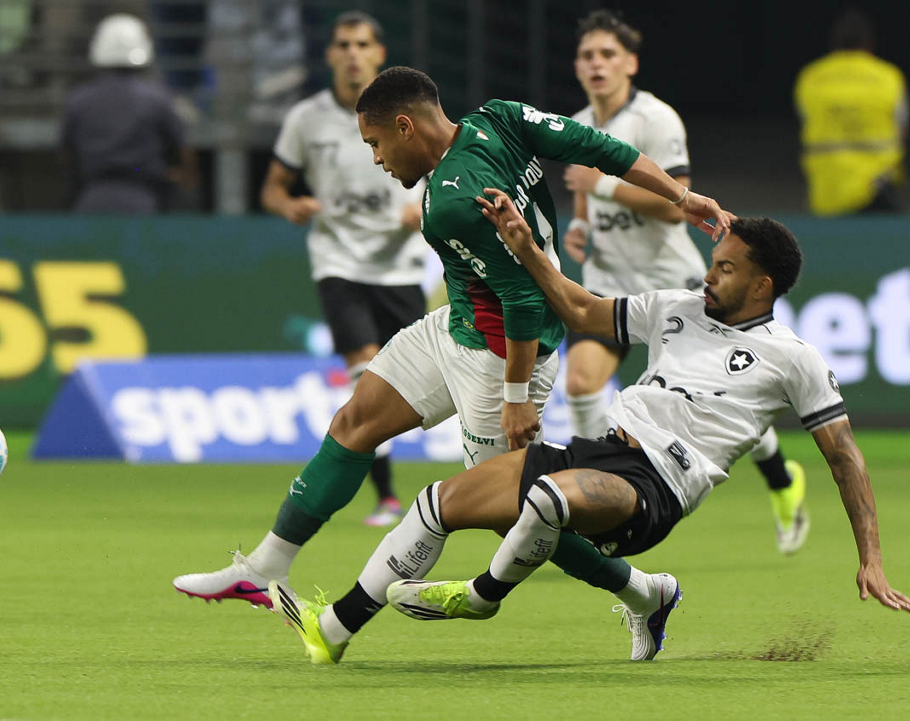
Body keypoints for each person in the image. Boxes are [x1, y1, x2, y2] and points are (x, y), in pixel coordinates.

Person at [174, 67, 734, 659]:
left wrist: (516, 397)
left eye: (375, 144)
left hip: (501, 356)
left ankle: (645, 592)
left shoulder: (449, 204)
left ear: (405, 126)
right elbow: (599, 148)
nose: (377, 160)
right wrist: (679, 192)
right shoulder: (501, 118)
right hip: (457, 325)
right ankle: (264, 569)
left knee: (510, 512)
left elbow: (521, 297)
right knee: (354, 423)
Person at [268, 206, 910, 665]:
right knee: (436, 503)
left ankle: (479, 597)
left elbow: (845, 457)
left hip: (658, 487)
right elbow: (580, 308)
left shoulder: (794, 357)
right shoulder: (679, 309)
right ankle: (333, 630)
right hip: (602, 450)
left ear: (762, 284)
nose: (707, 275)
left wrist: (872, 556)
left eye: (723, 268)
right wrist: (525, 249)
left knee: (548, 498)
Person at [563, 10, 809, 553]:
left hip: (672, 287)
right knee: (580, 382)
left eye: (607, 55)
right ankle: (594, 489)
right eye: (587, 55)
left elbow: (677, 205)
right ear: (577, 66)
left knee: (714, 400)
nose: (597, 64)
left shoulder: (657, 118)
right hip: (609, 283)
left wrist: (600, 190)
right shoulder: (579, 120)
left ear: (630, 63)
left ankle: (783, 482)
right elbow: (583, 187)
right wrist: (581, 222)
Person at [260, 11, 428, 527]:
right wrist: (289, 206)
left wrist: (422, 208)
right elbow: (272, 188)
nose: (352, 53)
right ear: (330, 54)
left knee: (407, 384)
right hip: (339, 262)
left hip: (401, 266)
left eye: (362, 44)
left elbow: (445, 167)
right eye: (342, 44)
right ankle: (387, 495)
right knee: (364, 372)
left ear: (379, 53)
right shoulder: (306, 119)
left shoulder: (407, 111)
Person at [61, 14, 193, 213]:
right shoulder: (158, 99)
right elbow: (180, 150)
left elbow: (66, 154)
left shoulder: (78, 100)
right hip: (143, 198)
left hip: (92, 197)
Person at [794, 7, 909, 216]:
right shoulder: (889, 76)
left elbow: (806, 124)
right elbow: (901, 131)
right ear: (869, 44)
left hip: (826, 193)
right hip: (877, 194)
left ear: (834, 44)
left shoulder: (811, 77)